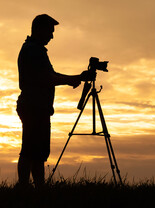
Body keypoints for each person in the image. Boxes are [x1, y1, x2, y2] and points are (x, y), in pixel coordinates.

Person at [16, 14, 93, 187]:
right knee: (30, 150)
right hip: (34, 106)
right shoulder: (33, 50)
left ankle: (37, 187)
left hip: (37, 106)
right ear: (39, 29)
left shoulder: (34, 49)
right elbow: (48, 78)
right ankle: (24, 187)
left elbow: (50, 76)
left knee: (37, 152)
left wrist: (74, 78)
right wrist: (73, 79)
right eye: (50, 31)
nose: (52, 36)